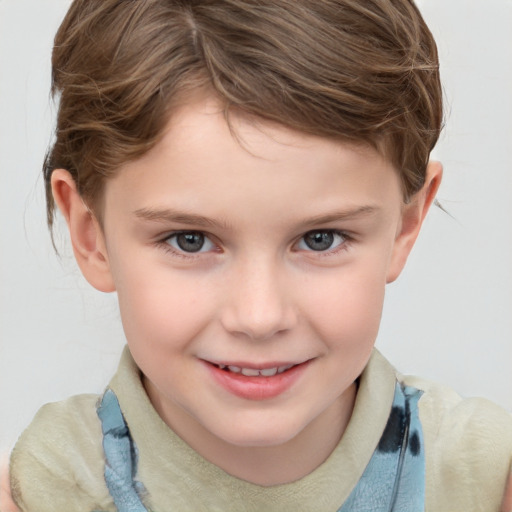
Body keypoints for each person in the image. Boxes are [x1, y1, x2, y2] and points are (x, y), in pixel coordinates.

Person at [4, 0, 512, 510]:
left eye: (321, 239)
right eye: (190, 240)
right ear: (92, 234)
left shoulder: (482, 478)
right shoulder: (45, 489)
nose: (259, 317)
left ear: (405, 225)